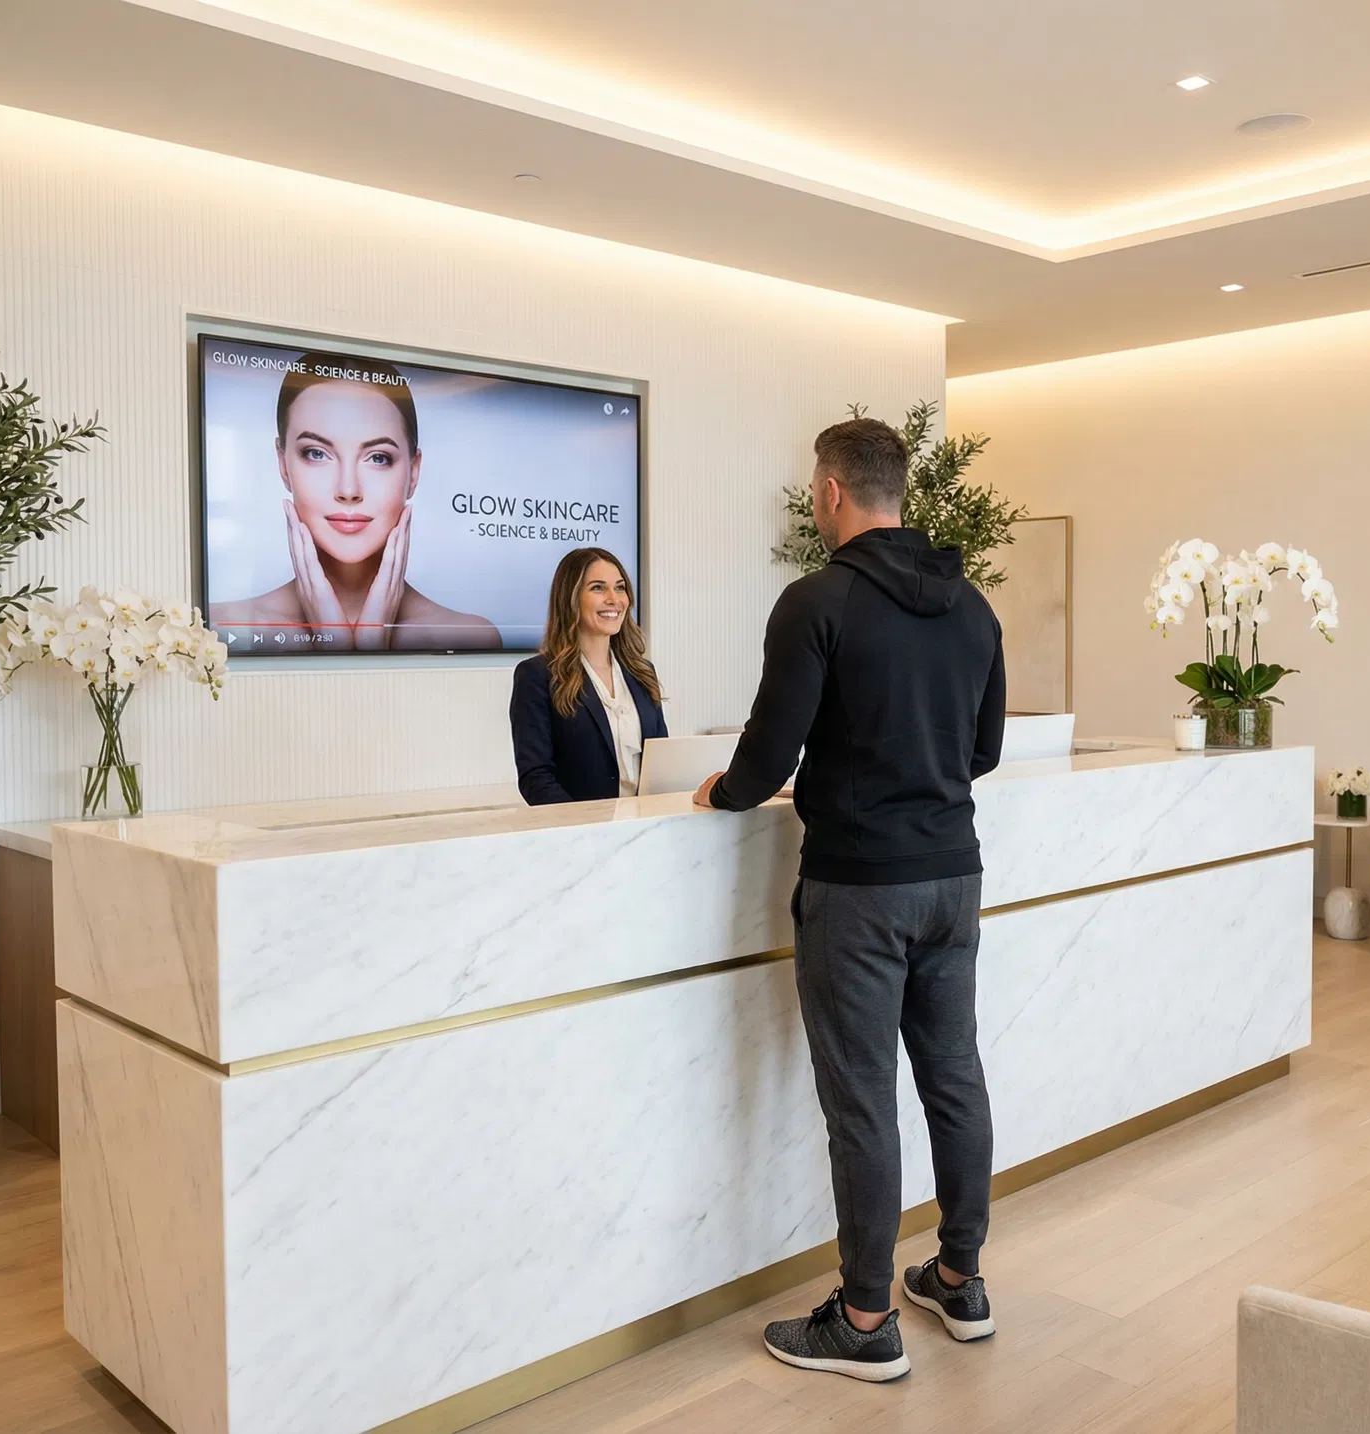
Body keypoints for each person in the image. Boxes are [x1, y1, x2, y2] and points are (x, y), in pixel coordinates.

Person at [694, 417, 1007, 1382]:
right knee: (951, 1072)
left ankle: (867, 1320)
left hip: (861, 889)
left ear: (829, 492)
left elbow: (766, 757)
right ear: (899, 490)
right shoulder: (973, 607)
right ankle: (957, 1278)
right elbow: (984, 751)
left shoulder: (815, 601)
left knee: (864, 1101)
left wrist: (721, 793)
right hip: (954, 873)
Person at [211, 352, 500, 651]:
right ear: (283, 465)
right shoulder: (216, 630)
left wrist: (363, 645)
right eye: (316, 453)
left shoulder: (469, 635)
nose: (348, 489)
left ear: (413, 472)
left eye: (377, 458)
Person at [510, 547, 666, 804]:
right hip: (582, 836)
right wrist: (588, 832)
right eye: (597, 588)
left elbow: (661, 765)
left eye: (619, 587)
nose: (614, 599)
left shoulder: (642, 673)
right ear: (570, 598)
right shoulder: (537, 676)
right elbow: (535, 779)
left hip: (645, 831)